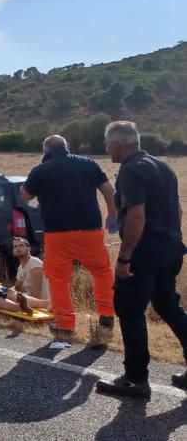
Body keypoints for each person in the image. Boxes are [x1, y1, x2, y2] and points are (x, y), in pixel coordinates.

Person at [96, 121, 187, 399]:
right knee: (168, 306)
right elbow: (179, 209)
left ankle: (135, 379)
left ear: (116, 144)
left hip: (144, 253)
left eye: (107, 144)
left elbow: (136, 216)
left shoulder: (131, 170)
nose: (106, 148)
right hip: (171, 248)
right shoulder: (163, 166)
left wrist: (124, 259)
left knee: (130, 310)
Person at [20, 134, 117, 347]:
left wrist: (40, 171)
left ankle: (65, 326)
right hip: (90, 230)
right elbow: (109, 190)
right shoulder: (88, 164)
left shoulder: (41, 170)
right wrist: (112, 214)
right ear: (67, 147)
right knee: (102, 271)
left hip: (57, 233)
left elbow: (25, 195)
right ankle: (107, 315)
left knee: (58, 279)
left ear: (46, 151)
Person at [12, 237, 51, 310]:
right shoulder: (20, 267)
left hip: (43, 303)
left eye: (21, 245)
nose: (18, 248)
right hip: (31, 300)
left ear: (29, 249)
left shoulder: (34, 262)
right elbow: (17, 288)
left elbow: (37, 290)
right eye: (15, 246)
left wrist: (37, 309)